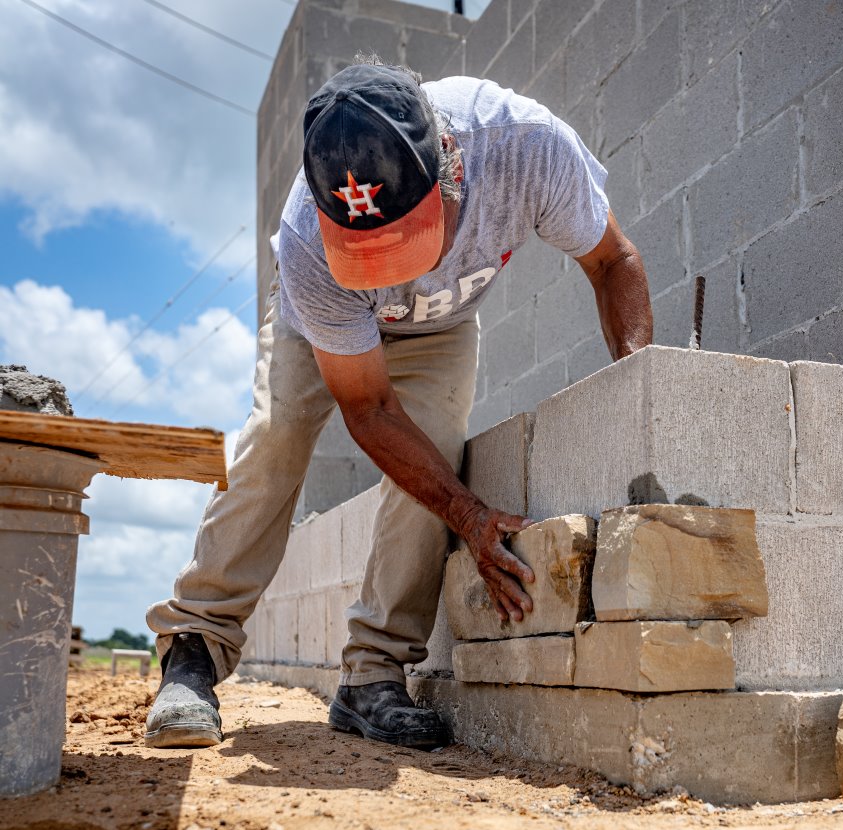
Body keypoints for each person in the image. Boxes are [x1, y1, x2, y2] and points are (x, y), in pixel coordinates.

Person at [143, 56, 653, 750]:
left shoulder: (524, 147)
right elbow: (370, 410)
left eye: (403, 239)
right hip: (321, 324)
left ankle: (371, 678)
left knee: (435, 451)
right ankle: (194, 648)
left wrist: (640, 388)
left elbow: (612, 260)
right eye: (367, 251)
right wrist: (468, 515)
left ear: (451, 161)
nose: (390, 271)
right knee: (278, 438)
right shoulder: (306, 243)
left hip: (441, 324)